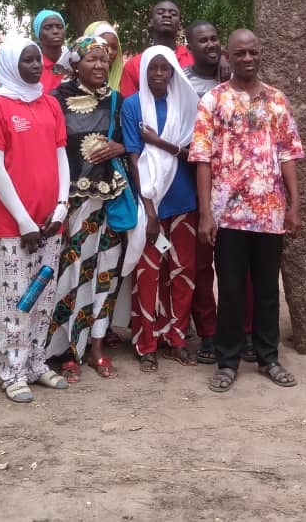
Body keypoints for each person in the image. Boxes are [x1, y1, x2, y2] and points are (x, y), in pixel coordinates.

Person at [190, 29, 304, 392]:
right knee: (233, 289)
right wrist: (206, 213)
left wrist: (294, 205)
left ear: (260, 54)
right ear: (229, 55)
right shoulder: (213, 100)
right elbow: (203, 158)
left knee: (268, 290)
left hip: (270, 213)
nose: (248, 59)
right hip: (228, 215)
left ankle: (269, 358)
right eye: (241, 53)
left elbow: (288, 154)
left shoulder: (277, 100)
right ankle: (227, 361)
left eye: (254, 52)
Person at [0, 37, 71, 402]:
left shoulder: (49, 104)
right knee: (14, 299)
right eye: (27, 61)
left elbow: (61, 155)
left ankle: (36, 362)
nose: (36, 66)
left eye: (37, 61)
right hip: (15, 226)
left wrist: (62, 205)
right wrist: (23, 220)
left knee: (43, 296)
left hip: (50, 222)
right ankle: (12, 371)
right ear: (10, 64)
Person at [45, 36, 133, 381]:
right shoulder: (56, 100)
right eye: (91, 59)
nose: (99, 65)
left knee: (105, 274)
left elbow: (132, 145)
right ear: (76, 64)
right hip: (71, 205)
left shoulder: (116, 101)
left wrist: (119, 147)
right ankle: (66, 351)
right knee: (69, 276)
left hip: (107, 204)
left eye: (103, 59)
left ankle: (96, 346)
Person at [121, 46, 201, 371]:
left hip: (184, 199)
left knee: (182, 273)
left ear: (172, 72)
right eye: (152, 68)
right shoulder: (132, 105)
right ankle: (147, 344)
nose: (157, 74)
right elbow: (133, 157)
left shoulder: (186, 105)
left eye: (164, 68)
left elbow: (194, 154)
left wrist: (160, 142)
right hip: (151, 202)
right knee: (148, 274)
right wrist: (149, 210)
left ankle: (177, 339)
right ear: (143, 71)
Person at [183, 20, 225, 363]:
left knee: (238, 266)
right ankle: (208, 332)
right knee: (200, 264)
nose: (210, 44)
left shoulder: (235, 74)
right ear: (190, 45)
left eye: (214, 39)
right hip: (192, 179)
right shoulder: (181, 82)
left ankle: (239, 329)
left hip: (237, 187)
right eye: (203, 40)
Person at [119, 0, 194, 96]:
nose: (167, 15)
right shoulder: (133, 66)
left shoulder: (195, 59)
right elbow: (128, 107)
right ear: (151, 22)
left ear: (180, 25)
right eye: (160, 12)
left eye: (173, 13)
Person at [0, 10, 67, 93]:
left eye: (59, 27)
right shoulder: (27, 65)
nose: (55, 31)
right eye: (48, 28)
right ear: (38, 33)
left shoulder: (73, 61)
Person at [83, 20, 126, 93]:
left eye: (114, 47)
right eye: (105, 45)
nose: (110, 52)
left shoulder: (124, 81)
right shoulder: (67, 89)